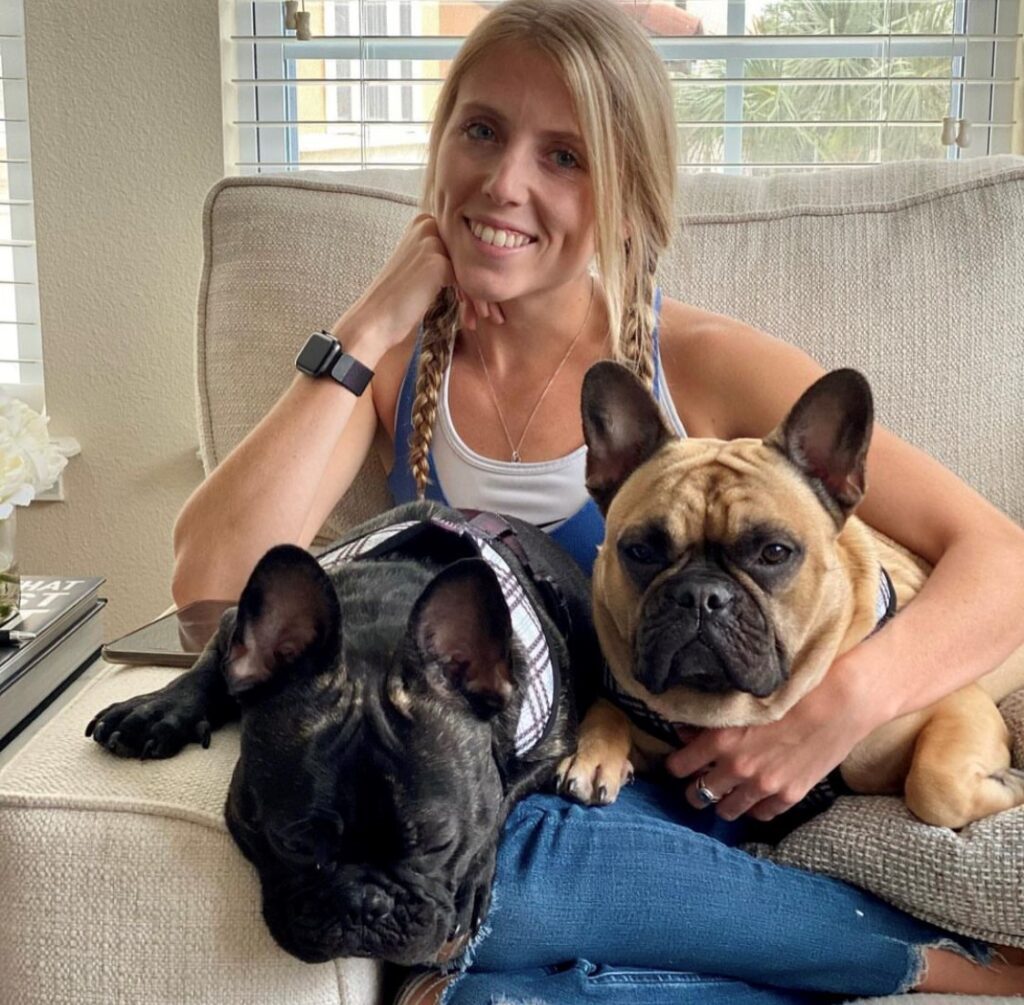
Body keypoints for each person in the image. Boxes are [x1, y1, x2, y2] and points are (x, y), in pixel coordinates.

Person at [171, 0, 1024, 999]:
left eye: (564, 156)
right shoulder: (401, 369)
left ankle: (931, 963)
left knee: (504, 890)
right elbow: (209, 587)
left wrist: (838, 708)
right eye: (481, 131)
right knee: (493, 929)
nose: (505, 181)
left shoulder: (698, 364)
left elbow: (1000, 558)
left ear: (627, 196)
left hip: (711, 772)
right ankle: (870, 960)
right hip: (576, 781)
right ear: (439, 143)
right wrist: (372, 317)